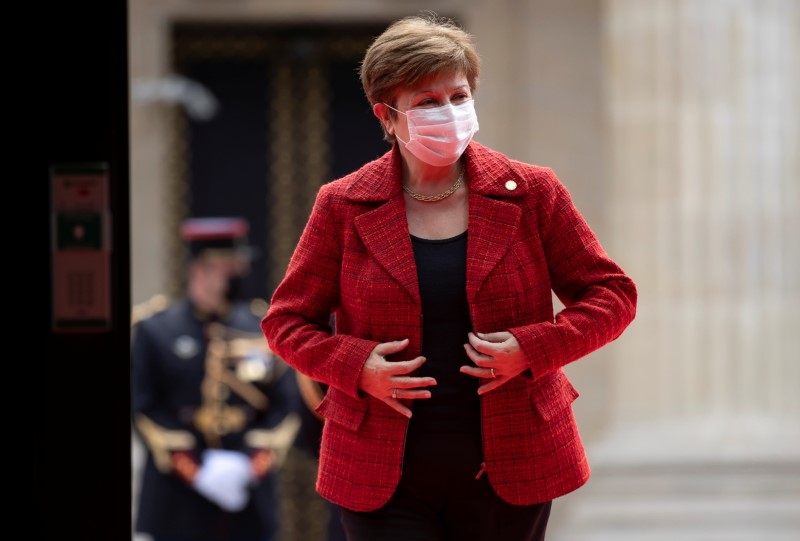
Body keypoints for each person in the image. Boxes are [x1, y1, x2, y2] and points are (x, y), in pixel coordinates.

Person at [260, 12, 637, 541]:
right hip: (381, 472)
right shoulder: (343, 203)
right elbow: (287, 322)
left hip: (512, 462)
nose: (449, 112)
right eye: (427, 102)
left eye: (458, 97)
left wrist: (534, 348)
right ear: (386, 117)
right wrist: (356, 364)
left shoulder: (531, 192)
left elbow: (612, 295)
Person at [132, 217, 298, 541]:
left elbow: (285, 404)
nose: (236, 275)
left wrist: (250, 465)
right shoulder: (156, 330)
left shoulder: (261, 327)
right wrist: (196, 472)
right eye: (227, 267)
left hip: (247, 497)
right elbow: (143, 406)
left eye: (237, 266)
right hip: (176, 499)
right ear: (200, 269)